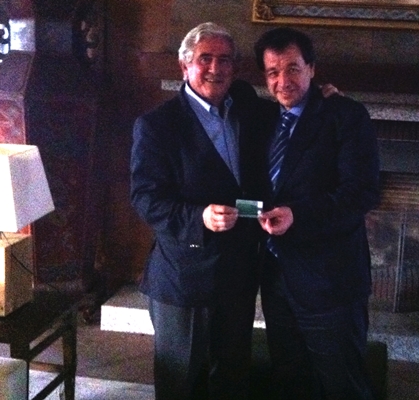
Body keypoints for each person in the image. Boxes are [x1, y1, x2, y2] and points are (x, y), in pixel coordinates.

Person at [130, 22, 265, 399]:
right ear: (184, 64)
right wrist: (199, 218)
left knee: (231, 377)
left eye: (225, 60)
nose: (215, 68)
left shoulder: (246, 108)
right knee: (181, 382)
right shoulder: (157, 125)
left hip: (238, 274)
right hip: (184, 278)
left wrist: (323, 99)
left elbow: (288, 107)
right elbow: (145, 198)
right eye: (205, 58)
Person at [253, 27, 381, 399]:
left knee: (342, 385)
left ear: (312, 68)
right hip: (277, 280)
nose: (283, 81)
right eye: (272, 72)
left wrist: (298, 215)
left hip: (331, 284)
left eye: (293, 69)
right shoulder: (263, 118)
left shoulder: (345, 115)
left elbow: (360, 193)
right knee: (290, 381)